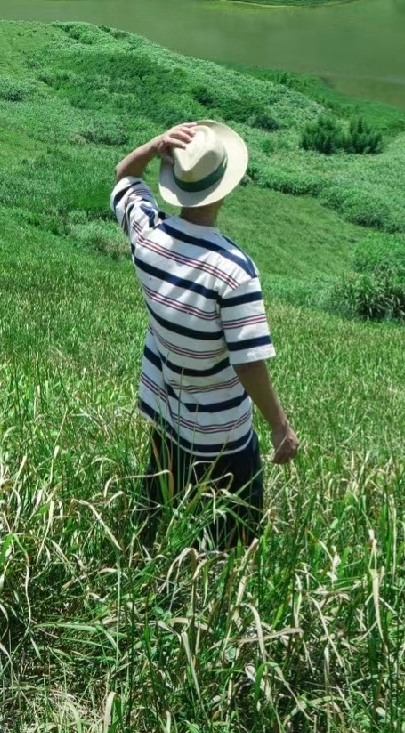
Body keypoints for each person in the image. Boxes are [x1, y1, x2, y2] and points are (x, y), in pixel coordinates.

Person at [111, 119, 299, 546]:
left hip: (163, 407)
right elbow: (248, 361)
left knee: (158, 511)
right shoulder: (233, 271)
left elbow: (124, 176)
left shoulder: (148, 235)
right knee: (234, 540)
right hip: (222, 432)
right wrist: (279, 426)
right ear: (225, 187)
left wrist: (155, 143)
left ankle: (146, 570)